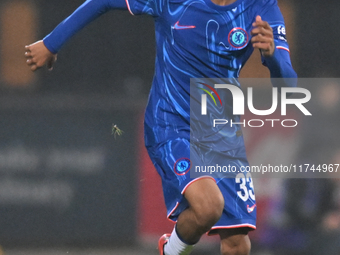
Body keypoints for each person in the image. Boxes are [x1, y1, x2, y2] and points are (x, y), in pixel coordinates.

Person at [25, 0, 297, 254]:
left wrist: (272, 55)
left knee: (238, 245)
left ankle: (172, 249)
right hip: (171, 124)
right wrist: (51, 43)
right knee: (209, 206)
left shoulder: (261, 7)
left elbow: (289, 88)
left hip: (221, 134)